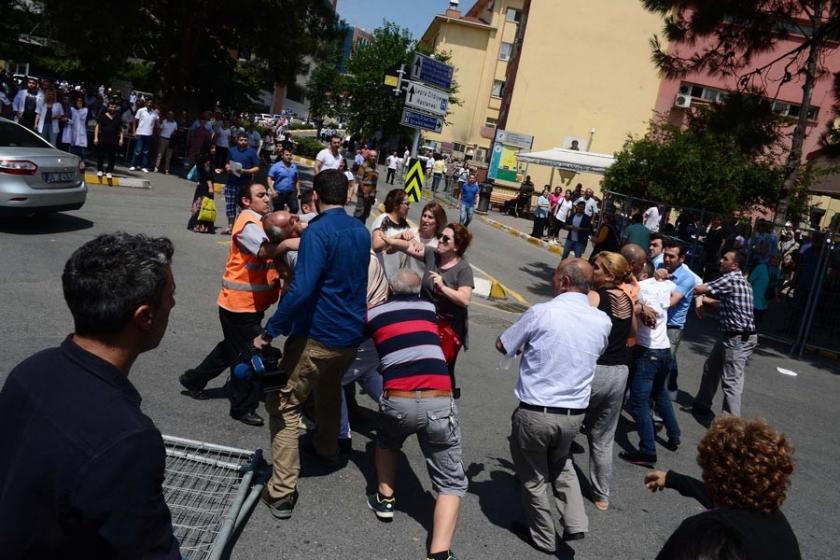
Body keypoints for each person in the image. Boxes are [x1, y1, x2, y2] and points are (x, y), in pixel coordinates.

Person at [0, 233, 180, 558]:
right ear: (144, 317)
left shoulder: (30, 370)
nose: (173, 304)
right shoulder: (128, 440)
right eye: (171, 295)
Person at [256, 169, 370, 520]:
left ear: (315, 197)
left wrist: (270, 330)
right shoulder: (360, 231)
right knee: (329, 391)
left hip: (318, 334)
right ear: (347, 195)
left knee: (284, 405)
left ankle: (282, 491)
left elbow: (301, 290)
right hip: (351, 336)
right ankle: (327, 448)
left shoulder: (318, 233)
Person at [497, 258, 611, 553]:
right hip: (574, 414)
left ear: (563, 282)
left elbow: (503, 343)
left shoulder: (542, 313)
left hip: (537, 410)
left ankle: (545, 538)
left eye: (555, 277)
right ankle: (575, 522)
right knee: (561, 464)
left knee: (533, 478)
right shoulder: (601, 320)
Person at [365, 269, 467, 560]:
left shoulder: (375, 314)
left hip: (398, 399)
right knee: (450, 482)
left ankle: (385, 500)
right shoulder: (428, 308)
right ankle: (439, 553)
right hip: (439, 399)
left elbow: (355, 335)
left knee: (386, 442)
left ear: (390, 289)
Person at [180, 185, 298, 425]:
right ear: (246, 200)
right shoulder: (247, 223)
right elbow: (264, 250)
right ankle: (242, 406)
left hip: (251, 306)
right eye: (260, 195)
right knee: (254, 356)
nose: (267, 198)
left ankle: (193, 380)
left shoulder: (263, 221)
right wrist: (287, 245)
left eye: (267, 194)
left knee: (231, 349)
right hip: (238, 305)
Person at [645, 416, 800, 560]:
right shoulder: (779, 527)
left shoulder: (708, 532)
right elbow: (729, 499)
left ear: (715, 473)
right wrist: (674, 480)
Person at [580, 251, 635, 511]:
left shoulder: (595, 296)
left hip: (596, 370)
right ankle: (602, 495)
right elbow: (633, 332)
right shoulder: (627, 298)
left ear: (610, 275)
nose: (593, 271)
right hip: (620, 371)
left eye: (597, 268)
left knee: (570, 423)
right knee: (603, 436)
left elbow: (581, 327)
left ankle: (553, 475)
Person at [383, 224, 474, 376]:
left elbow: (465, 300)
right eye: (440, 237)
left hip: (448, 330)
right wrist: (390, 239)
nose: (440, 241)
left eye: (446, 239)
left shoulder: (463, 269)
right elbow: (407, 247)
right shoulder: (433, 255)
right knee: (418, 365)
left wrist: (443, 287)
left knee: (439, 371)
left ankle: (446, 398)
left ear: (456, 247)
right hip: (427, 323)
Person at [620, 261, 681, 465]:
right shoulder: (666, 286)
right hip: (664, 351)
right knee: (660, 393)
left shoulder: (640, 288)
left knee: (639, 402)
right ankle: (674, 434)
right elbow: (686, 285)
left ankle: (647, 450)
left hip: (648, 352)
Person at [690, 250, 757, 417]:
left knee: (731, 383)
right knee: (711, 368)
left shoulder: (730, 278)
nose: (721, 261)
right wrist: (704, 299)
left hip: (737, 339)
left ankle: (731, 427)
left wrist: (699, 295)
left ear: (735, 265)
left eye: (725, 259)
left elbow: (699, 288)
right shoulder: (743, 282)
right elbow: (726, 304)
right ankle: (702, 404)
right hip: (731, 336)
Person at [658, 240, 698, 400]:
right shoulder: (660, 267)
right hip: (657, 322)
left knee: (663, 368)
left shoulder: (686, 278)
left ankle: (659, 410)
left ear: (681, 259)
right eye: (666, 255)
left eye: (671, 257)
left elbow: (669, 302)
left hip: (672, 327)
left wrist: (659, 281)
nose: (667, 259)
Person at [221, 132, 261, 235]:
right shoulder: (232, 150)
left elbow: (257, 168)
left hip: (244, 184)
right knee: (230, 205)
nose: (243, 142)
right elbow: (227, 163)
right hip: (231, 183)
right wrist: (228, 168)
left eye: (245, 140)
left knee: (242, 206)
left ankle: (240, 227)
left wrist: (245, 171)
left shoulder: (252, 152)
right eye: (241, 140)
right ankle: (230, 226)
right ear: (237, 140)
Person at [371, 188, 412, 280]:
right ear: (396, 205)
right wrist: (396, 237)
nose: (409, 207)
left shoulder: (405, 225)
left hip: (394, 276)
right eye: (406, 204)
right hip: (379, 273)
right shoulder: (384, 219)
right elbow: (376, 246)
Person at [93, 99, 124, 179]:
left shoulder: (118, 117)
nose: (112, 108)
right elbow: (97, 127)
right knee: (101, 155)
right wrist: (96, 137)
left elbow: (121, 129)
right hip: (102, 139)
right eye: (111, 107)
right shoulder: (102, 116)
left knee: (112, 157)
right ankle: (100, 170)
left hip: (113, 140)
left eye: (114, 107)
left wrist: (121, 139)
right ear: (108, 107)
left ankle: (109, 171)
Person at [187, 151, 217, 233]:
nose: (214, 150)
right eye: (212, 148)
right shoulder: (206, 159)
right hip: (206, 186)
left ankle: (195, 224)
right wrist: (210, 186)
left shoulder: (201, 157)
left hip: (200, 186)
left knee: (199, 205)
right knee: (205, 206)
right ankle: (202, 226)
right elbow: (207, 174)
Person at [129, 98, 159, 173]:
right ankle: (134, 165)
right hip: (140, 133)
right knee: (138, 150)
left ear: (152, 104)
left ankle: (144, 166)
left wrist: (158, 115)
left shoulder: (154, 113)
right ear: (146, 103)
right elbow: (134, 121)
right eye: (148, 103)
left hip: (149, 134)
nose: (149, 104)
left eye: (151, 103)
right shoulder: (141, 110)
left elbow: (158, 124)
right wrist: (134, 131)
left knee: (146, 151)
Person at [267, 147, 300, 213]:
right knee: (278, 211)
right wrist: (272, 191)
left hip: (291, 192)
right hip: (279, 193)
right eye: (287, 155)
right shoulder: (276, 166)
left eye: (290, 155)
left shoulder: (294, 167)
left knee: (295, 208)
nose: (289, 157)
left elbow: (297, 179)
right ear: (282, 156)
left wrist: (298, 191)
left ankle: (289, 221)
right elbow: (269, 178)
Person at [354, 148, 379, 223]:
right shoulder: (363, 166)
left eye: (375, 156)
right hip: (363, 194)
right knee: (359, 212)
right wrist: (365, 192)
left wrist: (374, 193)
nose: (373, 158)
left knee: (366, 213)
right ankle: (354, 227)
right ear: (368, 156)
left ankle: (361, 227)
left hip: (371, 194)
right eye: (371, 156)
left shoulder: (376, 166)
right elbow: (359, 179)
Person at [749, 257, 771, 327]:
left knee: (757, 322)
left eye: (778, 259)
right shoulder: (761, 267)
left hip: (765, 301)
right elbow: (750, 279)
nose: (776, 260)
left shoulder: (778, 270)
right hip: (755, 299)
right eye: (774, 258)